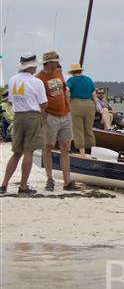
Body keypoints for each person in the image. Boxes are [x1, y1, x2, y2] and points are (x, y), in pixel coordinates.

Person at [1, 54, 47, 195]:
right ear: (32, 66)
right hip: (32, 116)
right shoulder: (37, 82)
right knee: (29, 152)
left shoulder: (13, 79)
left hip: (18, 116)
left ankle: (4, 185)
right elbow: (43, 103)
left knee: (16, 153)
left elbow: (11, 99)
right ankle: (23, 186)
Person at [36, 51, 79, 191]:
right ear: (48, 63)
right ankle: (49, 179)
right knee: (47, 147)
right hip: (50, 116)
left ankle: (67, 181)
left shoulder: (59, 73)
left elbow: (64, 90)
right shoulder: (39, 78)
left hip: (65, 115)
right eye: (55, 62)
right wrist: (43, 118)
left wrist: (69, 108)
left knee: (65, 148)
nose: (58, 64)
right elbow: (39, 101)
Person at [66, 64, 98, 155]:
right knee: (89, 129)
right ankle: (93, 152)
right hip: (89, 104)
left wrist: (67, 103)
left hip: (76, 105)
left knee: (78, 129)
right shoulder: (88, 79)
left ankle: (82, 154)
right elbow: (94, 96)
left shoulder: (71, 80)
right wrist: (95, 108)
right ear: (81, 71)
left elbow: (67, 90)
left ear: (72, 72)